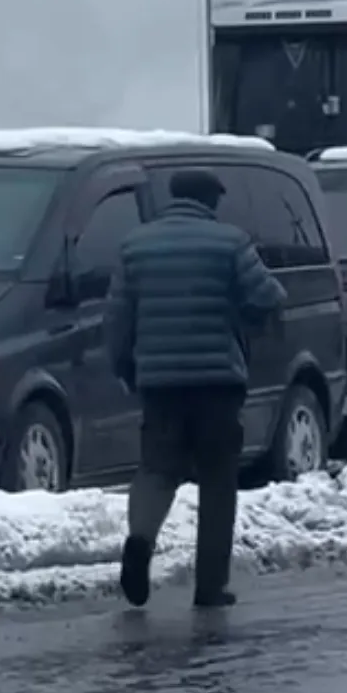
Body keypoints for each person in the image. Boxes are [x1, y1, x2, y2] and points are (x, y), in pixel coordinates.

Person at [105, 167, 286, 609]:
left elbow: (117, 317)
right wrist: (247, 320)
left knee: (156, 469)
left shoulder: (135, 246)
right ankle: (210, 586)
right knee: (218, 480)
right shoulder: (230, 242)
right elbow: (269, 296)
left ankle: (141, 542)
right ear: (211, 200)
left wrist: (125, 365)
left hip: (159, 382)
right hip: (217, 382)